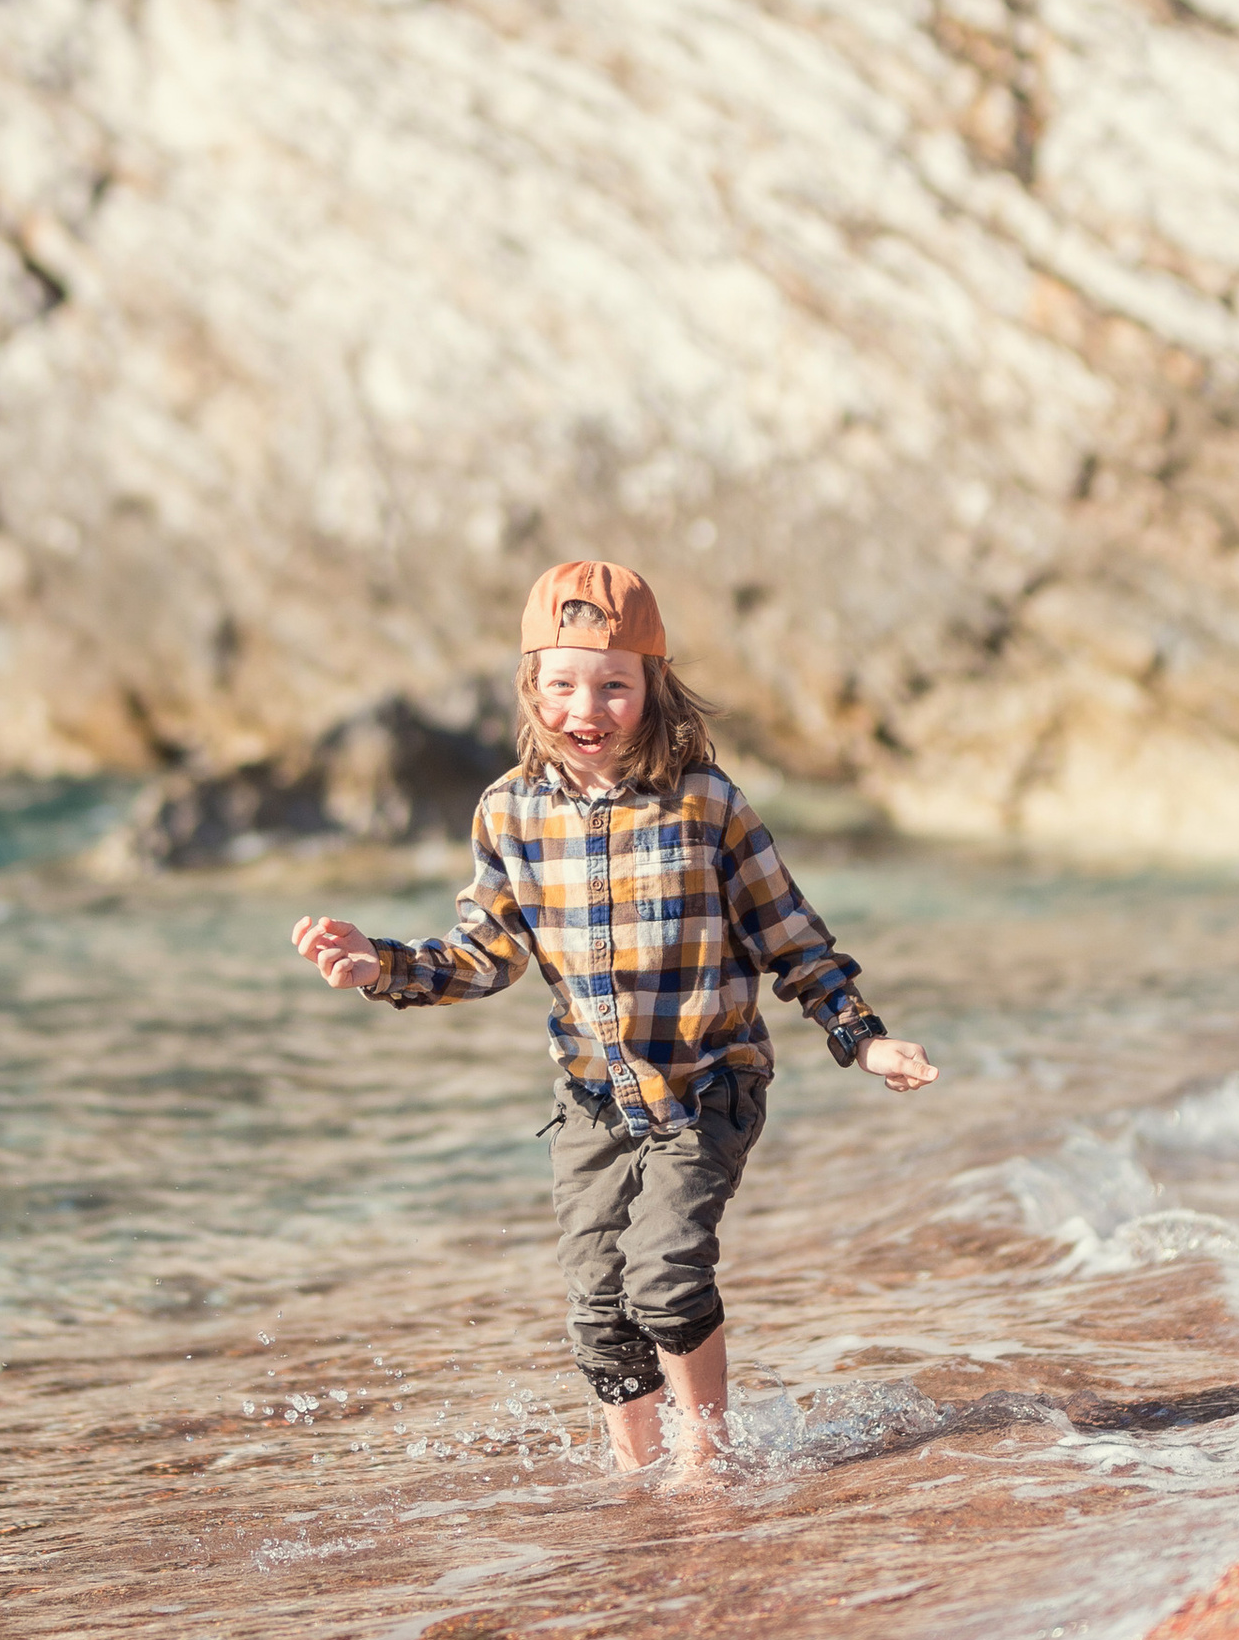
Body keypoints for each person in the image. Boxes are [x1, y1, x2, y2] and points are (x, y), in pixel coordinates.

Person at [290, 558, 937, 1476]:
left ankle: (704, 1468)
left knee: (666, 1276)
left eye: (613, 686)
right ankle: (638, 1481)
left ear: (654, 689)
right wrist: (378, 967)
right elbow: (482, 956)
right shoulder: (508, 812)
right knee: (599, 1309)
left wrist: (863, 1039)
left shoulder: (707, 806)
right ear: (530, 686)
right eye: (561, 685)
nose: (585, 709)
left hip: (707, 1087)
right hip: (591, 1099)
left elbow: (792, 939)